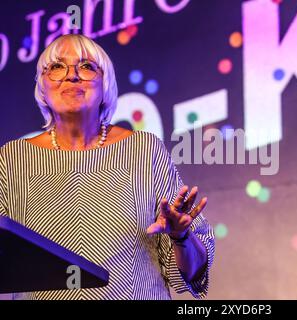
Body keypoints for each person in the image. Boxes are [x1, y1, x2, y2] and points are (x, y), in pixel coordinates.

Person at [0, 34, 214, 300]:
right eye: (56, 67)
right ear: (42, 85)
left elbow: (192, 273)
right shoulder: (11, 160)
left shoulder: (144, 150)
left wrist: (181, 236)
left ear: (106, 85)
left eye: (87, 66)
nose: (71, 76)